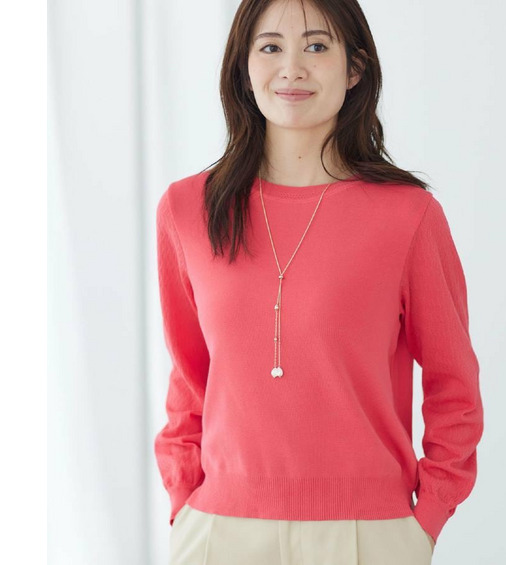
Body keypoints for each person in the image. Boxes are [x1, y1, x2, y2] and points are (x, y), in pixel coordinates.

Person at [154, 0, 484, 563]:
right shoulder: (188, 210)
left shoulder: (408, 216)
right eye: (270, 47)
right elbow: (190, 377)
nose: (292, 68)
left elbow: (455, 388)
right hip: (219, 530)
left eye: (316, 45)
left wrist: (425, 520)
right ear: (244, 68)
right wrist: (186, 502)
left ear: (354, 68)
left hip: (368, 534)